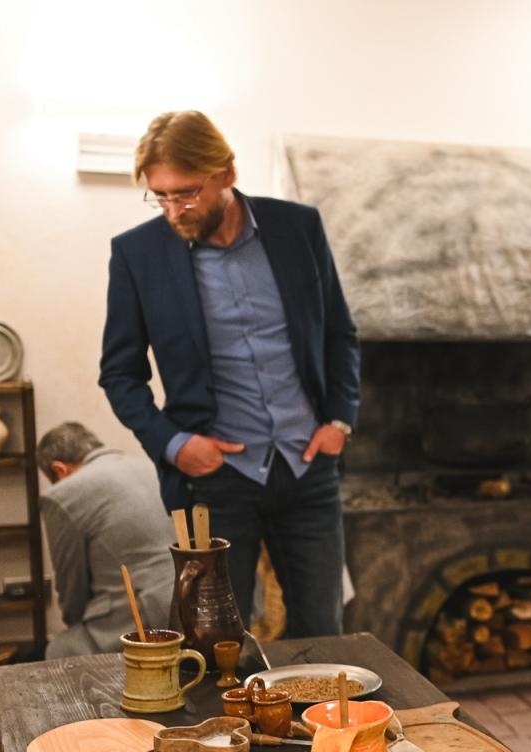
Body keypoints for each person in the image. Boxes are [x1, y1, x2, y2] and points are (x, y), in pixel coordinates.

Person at [99, 110, 360, 637]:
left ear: (227, 174)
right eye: (162, 196)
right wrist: (174, 444)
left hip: (308, 469)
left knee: (323, 633)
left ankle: (324, 724)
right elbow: (119, 374)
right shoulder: (137, 254)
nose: (175, 209)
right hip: (215, 482)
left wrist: (339, 421)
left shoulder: (297, 227)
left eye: (188, 193)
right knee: (217, 641)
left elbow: (339, 333)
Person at [36, 422, 177, 657]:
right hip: (195, 600)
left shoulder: (63, 494)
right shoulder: (150, 465)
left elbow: (72, 590)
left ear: (59, 469)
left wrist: (75, 625)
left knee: (58, 651)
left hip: (147, 615)